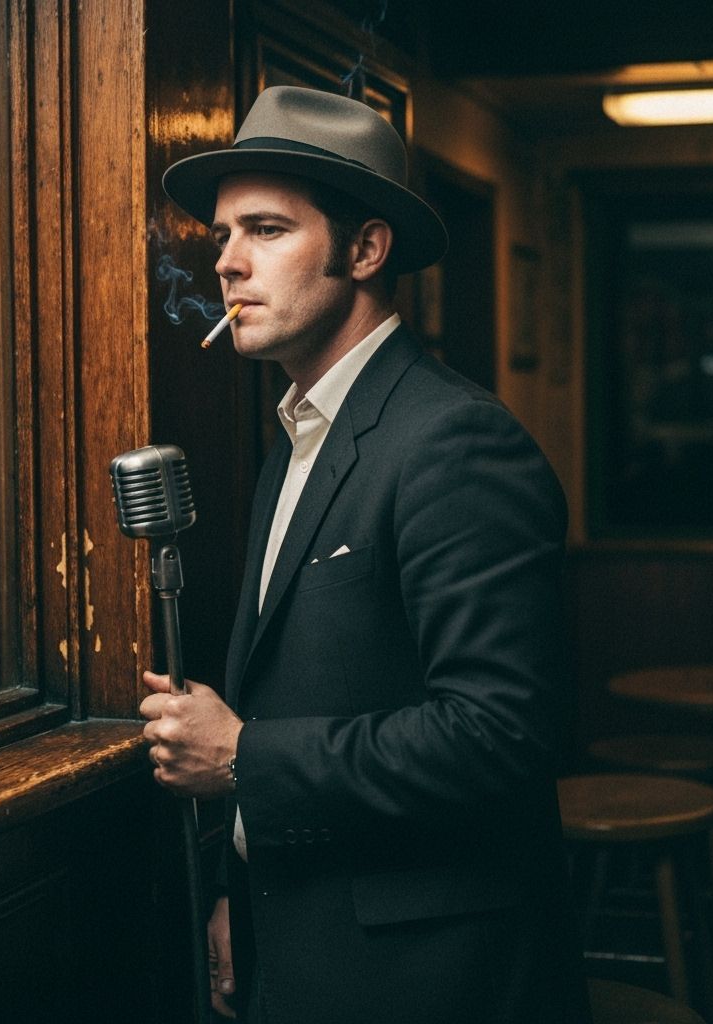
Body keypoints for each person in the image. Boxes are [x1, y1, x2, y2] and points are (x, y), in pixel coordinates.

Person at [140, 85, 590, 1024]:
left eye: (265, 230)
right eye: (223, 236)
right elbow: (297, 684)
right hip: (297, 935)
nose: (226, 263)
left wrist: (245, 759)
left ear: (366, 248)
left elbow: (503, 733)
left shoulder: (454, 442)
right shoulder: (298, 437)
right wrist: (239, 888)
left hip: (429, 975)